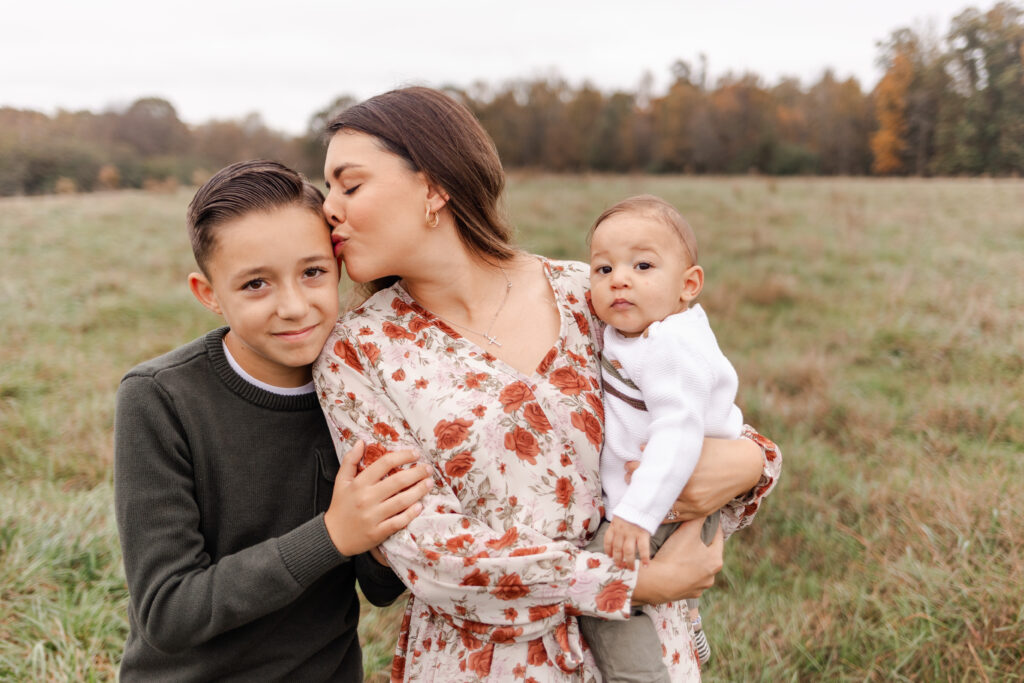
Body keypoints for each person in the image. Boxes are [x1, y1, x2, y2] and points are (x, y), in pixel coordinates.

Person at [313, 87, 781, 682]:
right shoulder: (357, 355)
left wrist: (749, 463)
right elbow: (426, 552)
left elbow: (702, 409)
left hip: (647, 656)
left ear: (433, 188)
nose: (329, 207)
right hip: (491, 665)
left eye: (349, 185)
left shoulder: (591, 293)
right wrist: (632, 581)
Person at [113, 159, 432, 681]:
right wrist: (331, 534)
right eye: (256, 284)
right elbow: (167, 612)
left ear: (338, 266)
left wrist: (375, 540)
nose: (293, 306)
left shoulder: (364, 385)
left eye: (312, 273)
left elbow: (379, 590)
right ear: (209, 294)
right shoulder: (159, 398)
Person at [578, 195, 741, 680]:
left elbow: (680, 430)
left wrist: (636, 514)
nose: (619, 279)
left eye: (642, 265)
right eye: (603, 269)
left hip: (663, 500)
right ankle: (688, 624)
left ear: (688, 284)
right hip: (662, 496)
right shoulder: (640, 332)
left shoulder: (669, 343)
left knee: (601, 590)